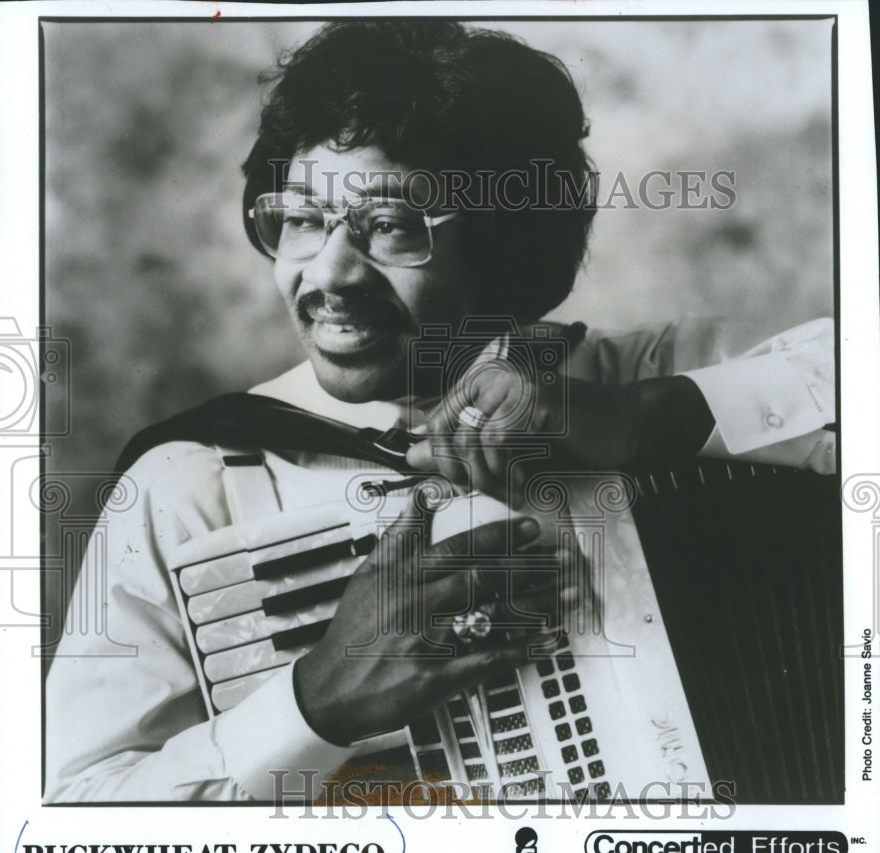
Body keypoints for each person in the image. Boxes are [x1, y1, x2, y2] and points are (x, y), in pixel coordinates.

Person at [44, 20, 835, 804]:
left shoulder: (656, 374)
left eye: (389, 226)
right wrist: (315, 702)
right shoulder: (191, 485)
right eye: (300, 219)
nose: (329, 275)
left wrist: (646, 419)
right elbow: (73, 816)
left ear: (507, 244)